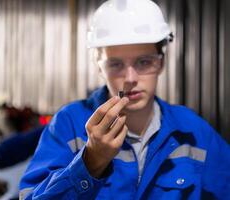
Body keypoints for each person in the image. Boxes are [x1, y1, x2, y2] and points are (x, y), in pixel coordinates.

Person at [19, 0, 230, 199]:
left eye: (144, 62)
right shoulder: (70, 125)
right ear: (99, 66)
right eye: (115, 64)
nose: (130, 79)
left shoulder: (193, 131)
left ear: (161, 63)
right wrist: (90, 162)